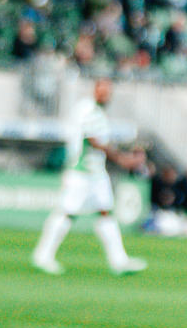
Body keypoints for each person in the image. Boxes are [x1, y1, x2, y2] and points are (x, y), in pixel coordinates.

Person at [32, 77, 148, 275]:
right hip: (82, 172)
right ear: (95, 90)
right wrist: (121, 159)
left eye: (108, 91)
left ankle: (119, 261)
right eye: (102, 90)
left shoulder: (97, 111)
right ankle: (43, 256)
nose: (106, 95)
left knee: (105, 213)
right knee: (67, 212)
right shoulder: (88, 109)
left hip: (96, 173)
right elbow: (93, 140)